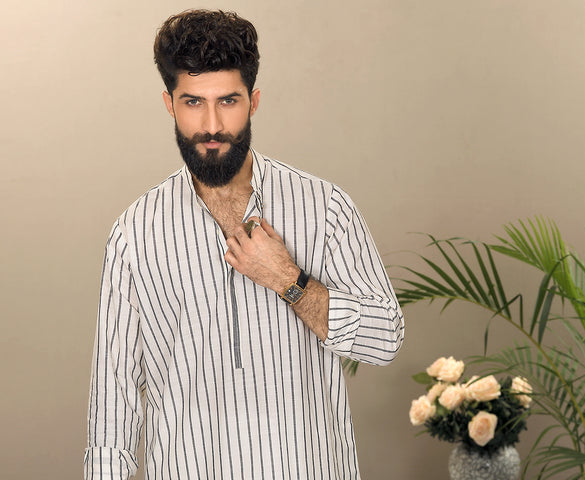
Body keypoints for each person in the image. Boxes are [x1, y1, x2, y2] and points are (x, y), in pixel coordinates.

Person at [84, 9, 404, 480]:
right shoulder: (134, 234)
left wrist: (289, 280)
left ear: (253, 101)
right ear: (170, 104)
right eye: (193, 102)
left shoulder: (324, 206)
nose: (212, 125)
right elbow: (113, 402)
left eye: (228, 101)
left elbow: (385, 339)